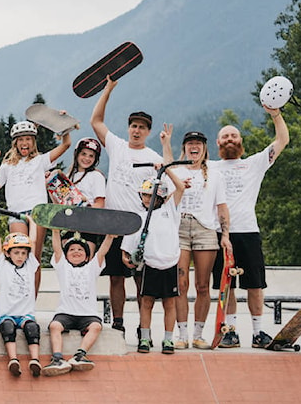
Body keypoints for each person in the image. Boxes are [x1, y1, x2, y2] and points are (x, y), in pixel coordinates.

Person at [89, 76, 164, 334]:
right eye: (133, 125)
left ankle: (144, 327)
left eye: (142, 127)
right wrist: (107, 90)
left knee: (142, 279)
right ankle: (118, 322)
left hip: (138, 225)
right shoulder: (117, 146)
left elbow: (163, 196)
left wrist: (162, 167)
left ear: (148, 132)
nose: (136, 130)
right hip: (113, 223)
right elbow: (95, 121)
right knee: (116, 277)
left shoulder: (153, 158)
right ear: (129, 127)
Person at [212, 105, 290, 348]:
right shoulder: (210, 167)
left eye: (233, 136)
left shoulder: (254, 163)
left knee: (255, 285)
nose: (230, 140)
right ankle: (231, 332)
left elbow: (282, 140)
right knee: (227, 286)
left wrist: (275, 114)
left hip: (248, 232)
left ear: (240, 141)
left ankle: (258, 333)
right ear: (218, 143)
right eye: (225, 136)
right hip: (220, 233)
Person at [0, 120, 71, 294]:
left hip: (37, 213)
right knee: (18, 255)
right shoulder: (7, 165)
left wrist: (62, 122)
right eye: (21, 139)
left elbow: (66, 144)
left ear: (34, 142)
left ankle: (31, 303)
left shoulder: (41, 160)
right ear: (15, 142)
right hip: (16, 214)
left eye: (28, 139)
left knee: (33, 259)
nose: (25, 143)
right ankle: (18, 297)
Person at [163, 130, 231, 349]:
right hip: (179, 227)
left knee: (203, 285)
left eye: (198, 144)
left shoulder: (214, 173)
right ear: (184, 147)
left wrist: (225, 235)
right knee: (180, 283)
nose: (194, 147)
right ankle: (182, 335)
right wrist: (165, 143)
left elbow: (221, 206)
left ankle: (198, 334)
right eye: (190, 143)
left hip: (205, 229)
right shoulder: (178, 170)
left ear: (204, 148)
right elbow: (166, 171)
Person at [121, 163, 187, 354]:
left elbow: (180, 187)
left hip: (169, 264)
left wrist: (166, 170)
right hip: (149, 265)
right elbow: (128, 244)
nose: (147, 199)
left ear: (160, 197)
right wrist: (126, 256)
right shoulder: (139, 217)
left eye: (152, 195)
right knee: (146, 301)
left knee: (169, 303)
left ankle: (168, 340)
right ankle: (144, 337)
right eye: (145, 195)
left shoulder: (170, 211)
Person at [44, 229, 115, 375]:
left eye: (80, 250)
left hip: (87, 314)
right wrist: (56, 231)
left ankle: (80, 355)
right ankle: (57, 358)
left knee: (96, 326)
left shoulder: (92, 267)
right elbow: (57, 249)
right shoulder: (63, 266)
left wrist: (109, 236)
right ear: (66, 255)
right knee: (55, 326)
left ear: (87, 256)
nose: (76, 251)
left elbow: (101, 252)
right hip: (66, 312)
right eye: (71, 250)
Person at [0, 210, 41, 377]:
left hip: (26, 314)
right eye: (16, 253)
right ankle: (13, 360)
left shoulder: (30, 265)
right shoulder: (3, 266)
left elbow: (32, 241)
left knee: (32, 329)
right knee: (8, 328)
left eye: (23, 253)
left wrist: (32, 223)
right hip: (7, 314)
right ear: (8, 253)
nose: (20, 256)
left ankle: (35, 360)